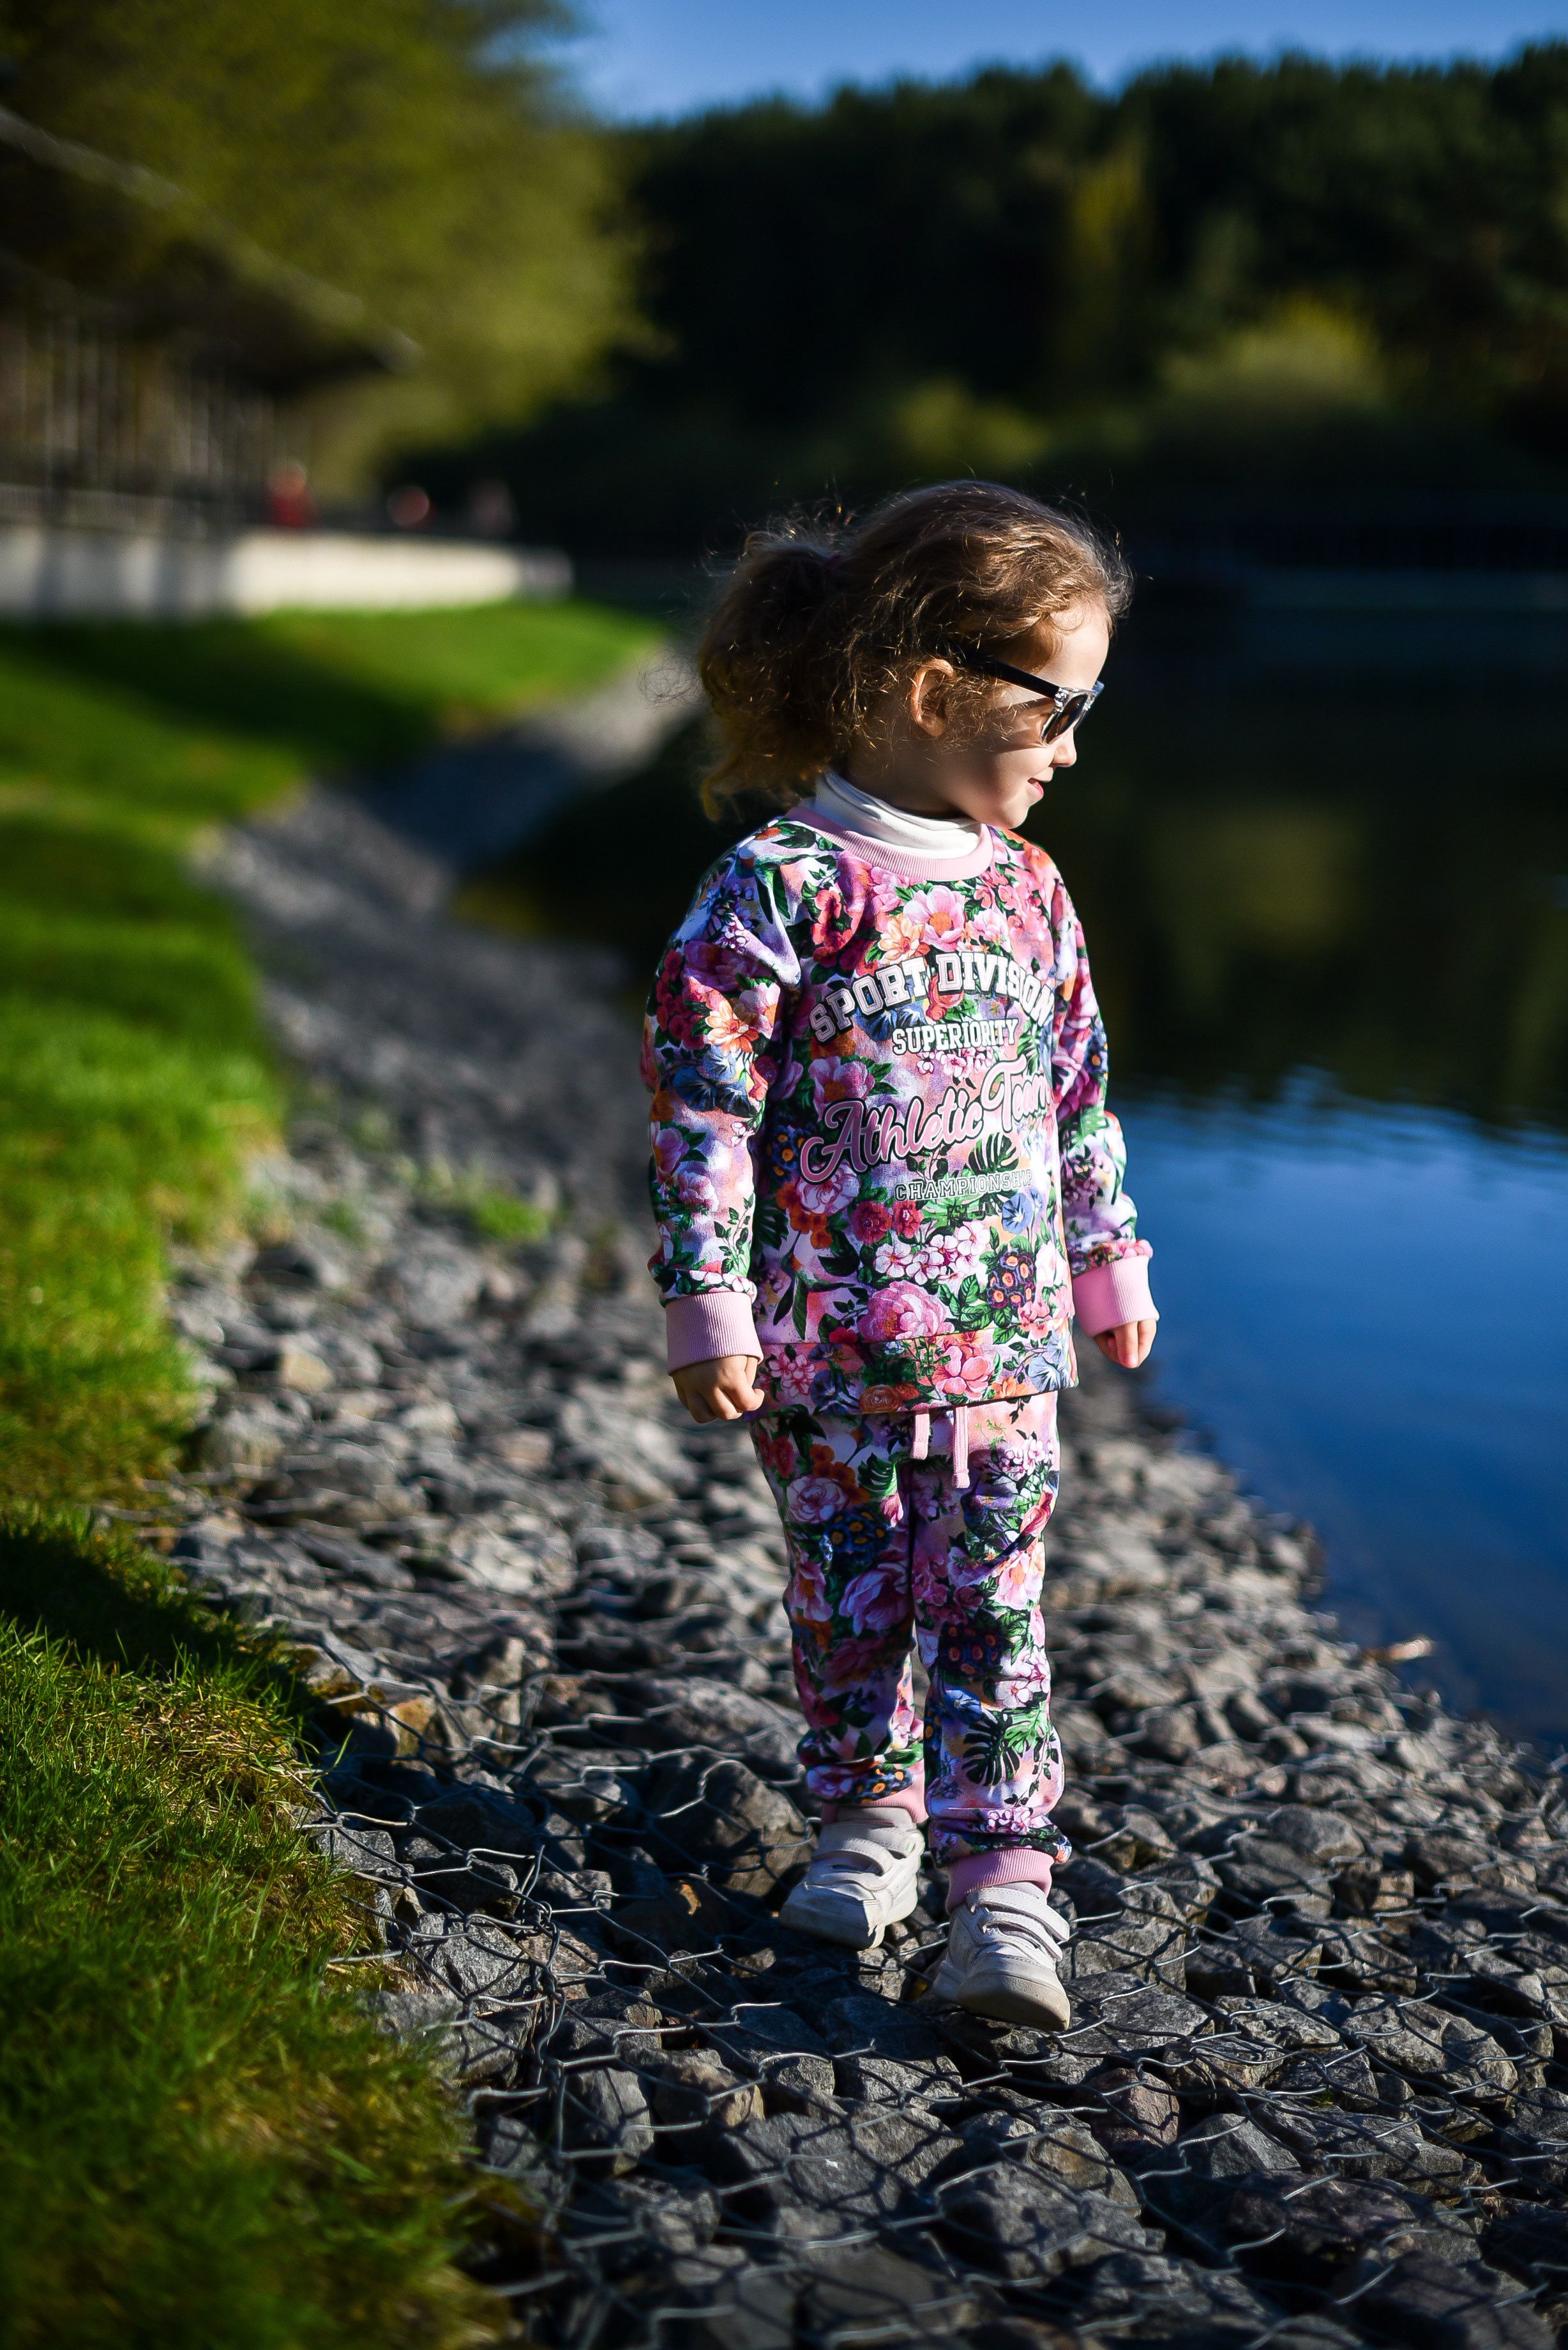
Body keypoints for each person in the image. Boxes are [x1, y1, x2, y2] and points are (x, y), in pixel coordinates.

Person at [641, 480, 1157, 2029]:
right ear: (935, 693)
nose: (1072, 745)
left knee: (997, 1605)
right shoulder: (786, 887)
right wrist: (706, 1299)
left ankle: (1004, 1893)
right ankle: (866, 1826)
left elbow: (1076, 1086)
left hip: (1003, 1351)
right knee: (848, 1596)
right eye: (1058, 706)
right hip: (829, 1354)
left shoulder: (1030, 890)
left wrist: (1105, 1258)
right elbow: (702, 1106)